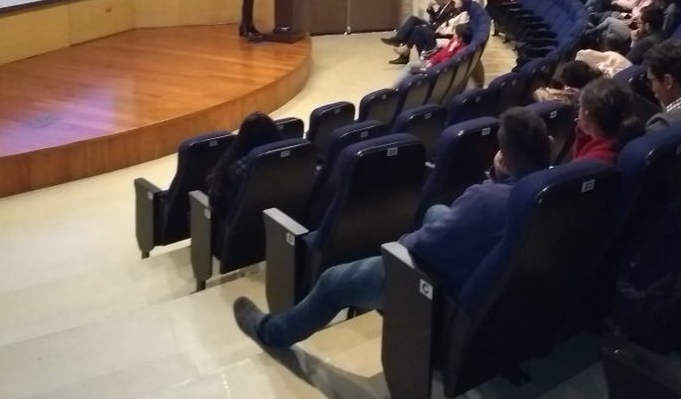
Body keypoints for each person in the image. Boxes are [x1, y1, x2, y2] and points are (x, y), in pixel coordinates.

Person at [230, 107, 552, 349]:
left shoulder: (485, 199)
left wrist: (401, 241)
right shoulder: (549, 189)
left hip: (435, 288)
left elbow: (420, 247)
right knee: (436, 211)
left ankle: (273, 332)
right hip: (495, 268)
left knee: (332, 281)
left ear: (505, 159)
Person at [206, 112, 283, 218]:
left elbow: (215, 199)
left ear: (242, 137)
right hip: (278, 217)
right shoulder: (286, 160)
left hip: (241, 223)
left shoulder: (238, 167)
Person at [577, 5, 666, 77]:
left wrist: (634, 41)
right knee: (610, 37)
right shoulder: (662, 35)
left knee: (583, 55)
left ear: (647, 26)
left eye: (639, 23)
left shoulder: (645, 43)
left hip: (626, 75)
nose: (638, 25)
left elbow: (625, 63)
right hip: (636, 70)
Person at [571, 78, 642, 164]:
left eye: (580, 107)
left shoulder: (592, 161)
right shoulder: (633, 141)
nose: (578, 112)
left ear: (586, 113)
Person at [389, 0, 470, 65]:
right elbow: (437, 18)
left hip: (442, 33)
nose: (457, 1)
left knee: (418, 28)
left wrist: (442, 29)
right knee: (415, 28)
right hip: (438, 28)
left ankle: (404, 48)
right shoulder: (455, 11)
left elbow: (454, 27)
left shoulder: (453, 9)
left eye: (459, 0)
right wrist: (430, 8)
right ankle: (404, 47)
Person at [395, 23, 470, 85]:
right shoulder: (454, 41)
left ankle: (393, 89)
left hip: (436, 69)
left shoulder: (460, 51)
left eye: (455, 34)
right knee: (418, 38)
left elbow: (445, 64)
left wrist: (451, 49)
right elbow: (441, 54)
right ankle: (397, 87)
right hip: (433, 63)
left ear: (460, 38)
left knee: (410, 65)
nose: (453, 34)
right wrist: (432, 61)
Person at [381, 0, 455, 48]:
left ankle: (400, 44)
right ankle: (398, 39)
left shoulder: (451, 7)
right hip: (433, 25)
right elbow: (436, 18)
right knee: (413, 19)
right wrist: (430, 8)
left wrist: (432, 23)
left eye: (437, 0)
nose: (436, 2)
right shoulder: (443, 6)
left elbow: (443, 23)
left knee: (415, 28)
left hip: (437, 28)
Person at [532, 60, 600, 103]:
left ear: (569, 88)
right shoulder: (599, 89)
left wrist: (564, 93)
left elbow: (538, 92)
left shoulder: (568, 103)